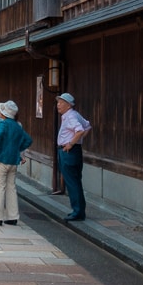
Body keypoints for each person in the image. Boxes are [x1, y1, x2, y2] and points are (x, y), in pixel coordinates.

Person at [0, 100, 32, 226]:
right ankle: (12, 217)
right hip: (14, 161)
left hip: (2, 158)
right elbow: (28, 140)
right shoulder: (17, 126)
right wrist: (18, 149)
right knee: (11, 188)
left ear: (3, 113)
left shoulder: (4, 124)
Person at [56, 92, 92, 221]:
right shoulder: (74, 115)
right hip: (74, 151)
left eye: (60, 103)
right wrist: (78, 141)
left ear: (68, 105)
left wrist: (71, 143)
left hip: (68, 151)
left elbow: (80, 130)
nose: (58, 105)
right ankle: (79, 210)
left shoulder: (70, 116)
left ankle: (77, 212)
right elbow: (87, 126)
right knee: (75, 181)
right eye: (58, 102)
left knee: (72, 182)